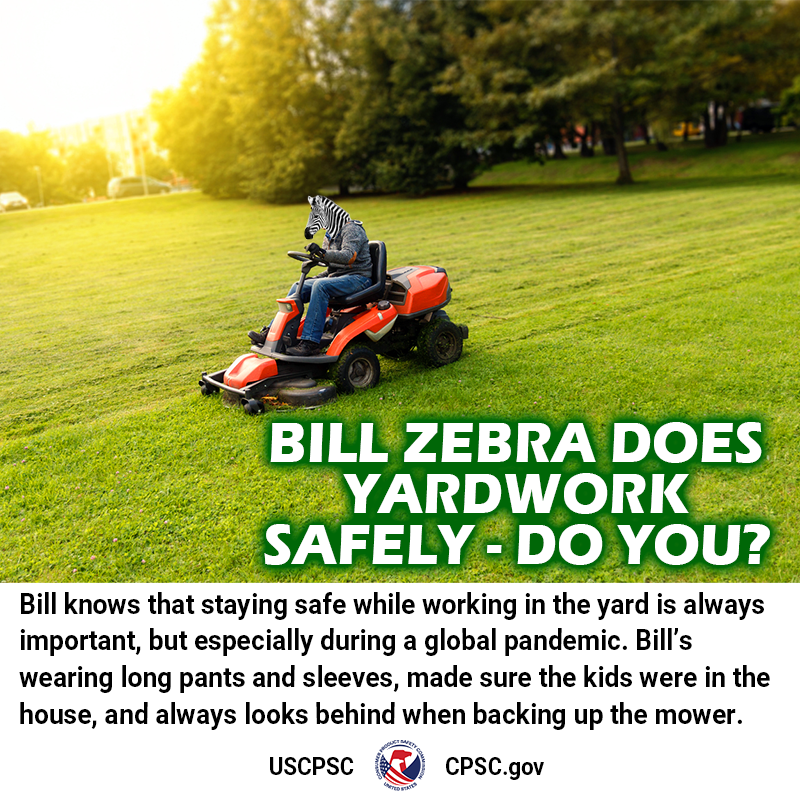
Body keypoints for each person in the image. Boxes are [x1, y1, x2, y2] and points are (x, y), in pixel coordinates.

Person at [249, 196, 372, 356]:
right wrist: (317, 259)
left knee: (320, 286)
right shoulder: (329, 234)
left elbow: (349, 256)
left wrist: (323, 253)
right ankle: (273, 332)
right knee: (298, 286)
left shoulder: (351, 229)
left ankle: (310, 343)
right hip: (337, 277)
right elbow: (330, 267)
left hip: (359, 278)